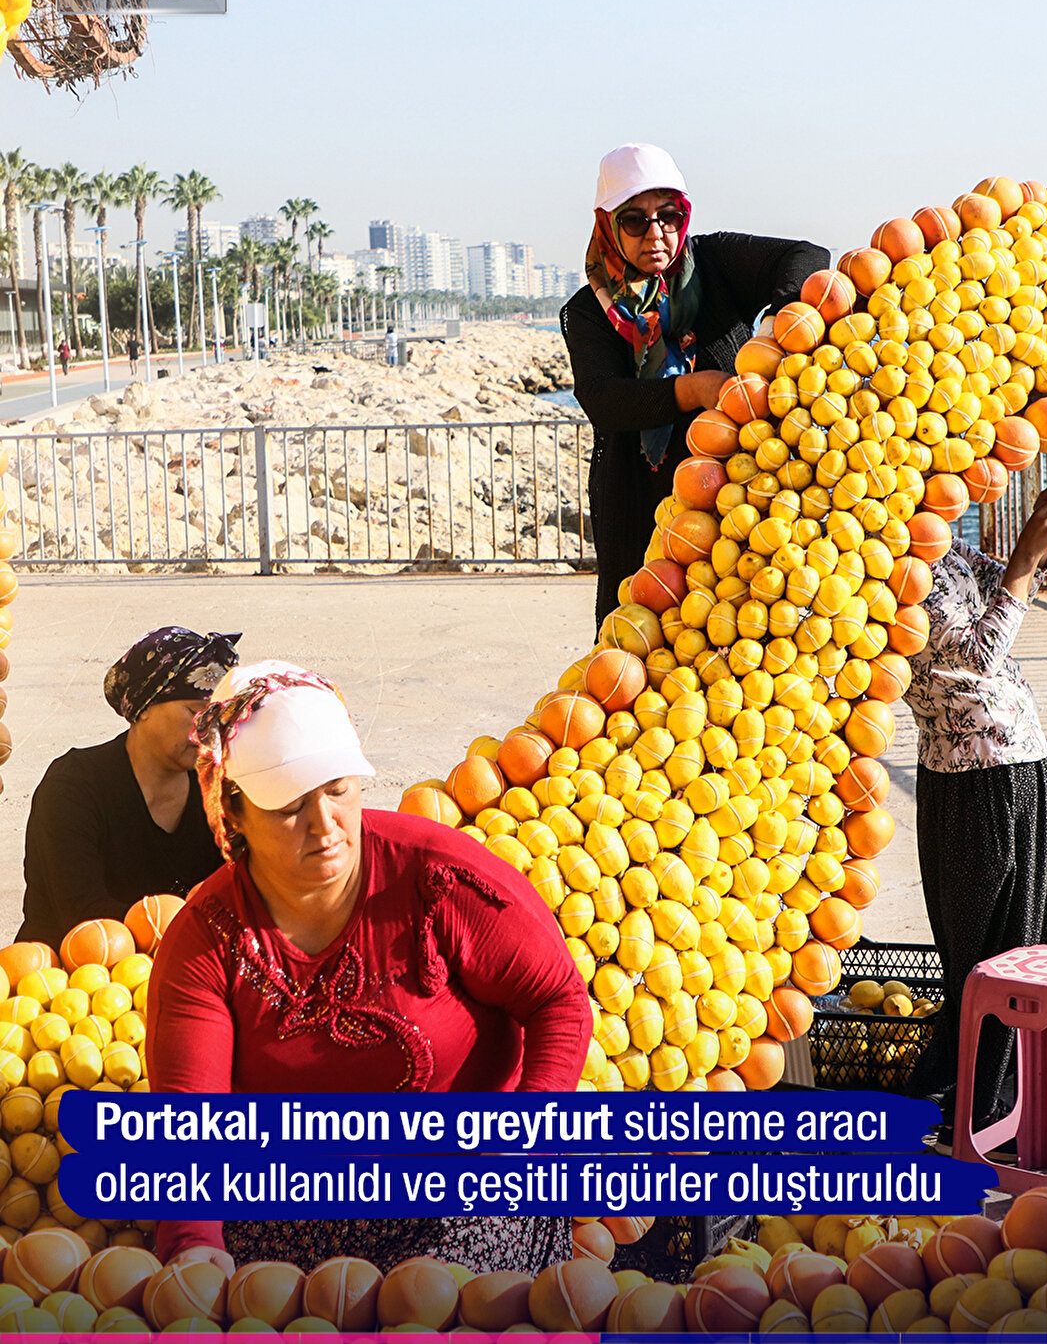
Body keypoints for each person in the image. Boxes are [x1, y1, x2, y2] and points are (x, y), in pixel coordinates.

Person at [147, 660, 592, 1275]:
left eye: (338, 789)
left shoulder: (438, 878)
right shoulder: (206, 942)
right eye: (289, 807)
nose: (325, 826)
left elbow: (559, 1002)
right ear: (235, 812)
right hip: (293, 1203)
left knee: (429, 1297)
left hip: (465, 1186)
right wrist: (197, 1258)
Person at [561, 142, 829, 630]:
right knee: (641, 645)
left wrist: (776, 327)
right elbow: (605, 400)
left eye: (668, 215)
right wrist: (694, 389)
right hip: (640, 504)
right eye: (634, 220)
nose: (656, 234)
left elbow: (806, 257)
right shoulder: (587, 311)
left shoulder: (713, 263)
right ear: (607, 224)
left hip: (740, 496)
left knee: (742, 633)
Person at [902, 479, 1047, 1142]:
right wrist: (1020, 560)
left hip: (1015, 762)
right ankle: (982, 1113)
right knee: (989, 957)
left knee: (1031, 937)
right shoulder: (902, 565)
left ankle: (1018, 1100)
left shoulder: (944, 550)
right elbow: (979, 653)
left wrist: (1034, 547)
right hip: (976, 779)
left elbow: (1015, 586)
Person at [19, 627, 240, 946]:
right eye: (195, 711)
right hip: (72, 980)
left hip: (190, 971)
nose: (208, 729)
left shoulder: (217, 787)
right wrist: (194, 923)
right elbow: (82, 914)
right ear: (144, 706)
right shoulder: (73, 787)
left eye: (217, 717)